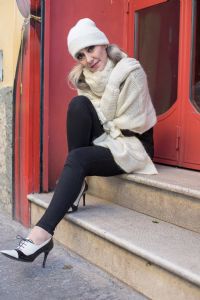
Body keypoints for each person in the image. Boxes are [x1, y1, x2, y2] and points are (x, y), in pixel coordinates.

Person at [1, 18, 157, 267]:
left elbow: (132, 122)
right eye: (81, 55)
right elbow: (103, 118)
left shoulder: (131, 70)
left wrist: (115, 82)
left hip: (133, 143)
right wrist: (106, 116)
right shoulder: (85, 80)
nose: (88, 58)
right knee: (77, 105)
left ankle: (41, 234)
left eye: (91, 48)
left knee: (77, 158)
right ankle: (72, 192)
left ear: (103, 43)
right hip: (110, 137)